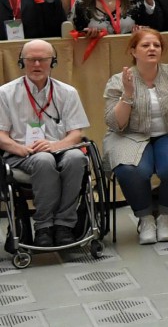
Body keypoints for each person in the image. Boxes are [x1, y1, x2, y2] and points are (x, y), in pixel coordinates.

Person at [103, 28, 168, 245]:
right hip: (129, 134)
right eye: (145, 45)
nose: (152, 49)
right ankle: (146, 218)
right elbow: (115, 123)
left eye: (156, 45)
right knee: (130, 168)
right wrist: (127, 95)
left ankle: (165, 216)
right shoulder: (119, 80)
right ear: (133, 51)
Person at [0, 39, 90, 247]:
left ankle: (64, 225)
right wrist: (19, 148)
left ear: (53, 62)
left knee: (77, 157)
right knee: (43, 160)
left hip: (60, 149)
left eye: (42, 59)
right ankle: (44, 226)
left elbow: (76, 133)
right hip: (20, 154)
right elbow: (1, 134)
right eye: (31, 60)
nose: (37, 65)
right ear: (21, 62)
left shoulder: (68, 92)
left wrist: (56, 146)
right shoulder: (5, 93)